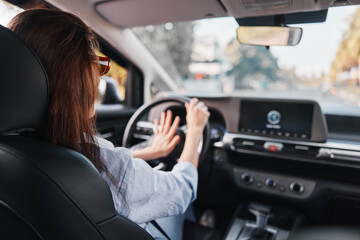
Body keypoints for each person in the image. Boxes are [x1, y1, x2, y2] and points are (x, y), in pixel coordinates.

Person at [7, 8, 210, 239]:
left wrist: (147, 152)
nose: (100, 75)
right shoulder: (107, 166)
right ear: (75, 76)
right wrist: (195, 131)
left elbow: (101, 163)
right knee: (180, 208)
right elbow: (182, 190)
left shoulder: (12, 152)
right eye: (96, 64)